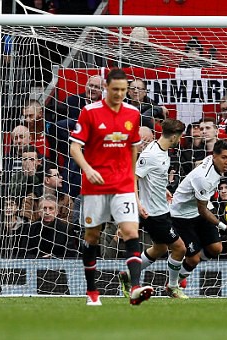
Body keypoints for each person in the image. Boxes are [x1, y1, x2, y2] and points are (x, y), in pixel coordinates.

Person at [69, 68, 154, 306]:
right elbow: (75, 148)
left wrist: (134, 192)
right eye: (114, 90)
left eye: (123, 90)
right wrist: (88, 169)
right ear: (106, 88)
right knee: (92, 236)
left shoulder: (133, 113)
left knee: (131, 233)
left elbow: (132, 150)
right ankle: (92, 291)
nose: (118, 94)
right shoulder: (89, 112)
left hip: (123, 184)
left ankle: (135, 287)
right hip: (95, 186)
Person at [118, 119, 188, 299]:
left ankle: (127, 274)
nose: (181, 139)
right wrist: (138, 204)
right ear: (174, 136)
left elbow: (150, 177)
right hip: (154, 214)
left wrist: (162, 189)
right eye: (180, 136)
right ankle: (172, 287)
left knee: (159, 248)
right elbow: (132, 178)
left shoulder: (163, 152)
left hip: (161, 209)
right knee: (180, 248)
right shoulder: (150, 155)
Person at [169, 140, 227, 286]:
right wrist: (224, 226)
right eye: (224, 158)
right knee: (194, 259)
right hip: (182, 214)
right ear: (214, 156)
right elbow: (202, 210)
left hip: (198, 207)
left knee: (216, 249)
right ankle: (173, 284)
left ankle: (184, 270)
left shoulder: (211, 161)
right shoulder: (204, 179)